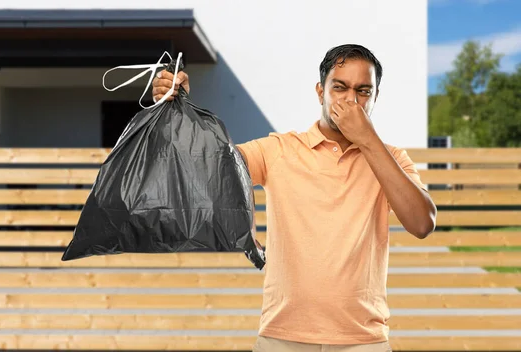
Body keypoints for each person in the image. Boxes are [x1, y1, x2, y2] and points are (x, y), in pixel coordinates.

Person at [151, 44, 437, 352]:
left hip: (364, 342)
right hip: (281, 338)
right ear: (320, 91)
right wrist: (175, 113)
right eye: (339, 87)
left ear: (375, 97)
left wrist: (367, 139)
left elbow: (422, 223)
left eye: (363, 91)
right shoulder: (279, 150)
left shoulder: (391, 159)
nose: (351, 100)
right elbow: (206, 168)